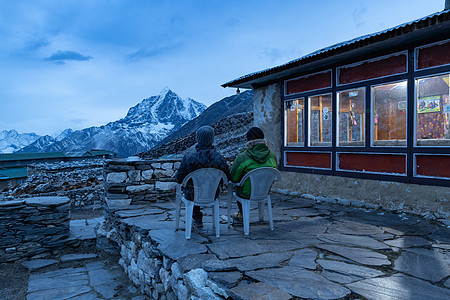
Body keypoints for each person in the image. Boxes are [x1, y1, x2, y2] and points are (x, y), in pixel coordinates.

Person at [175, 126, 231, 228]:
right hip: (213, 194)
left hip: (193, 195)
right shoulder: (220, 158)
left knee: (193, 188)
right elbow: (227, 177)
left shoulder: (189, 158)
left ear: (197, 139)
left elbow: (179, 179)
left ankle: (197, 218)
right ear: (212, 140)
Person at [230, 127, 278, 224]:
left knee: (237, 186)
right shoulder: (272, 156)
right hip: (264, 192)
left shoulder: (242, 157)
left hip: (246, 193)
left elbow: (233, 178)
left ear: (249, 141)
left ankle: (242, 214)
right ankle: (261, 216)